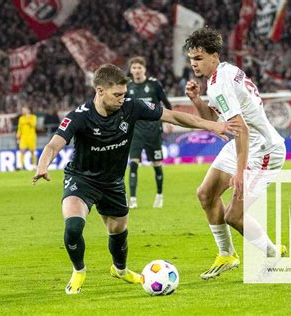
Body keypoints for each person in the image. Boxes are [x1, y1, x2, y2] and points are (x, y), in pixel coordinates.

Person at [31, 64, 237, 294]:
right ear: (100, 91)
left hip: (113, 183)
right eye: (117, 94)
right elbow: (53, 144)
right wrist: (42, 165)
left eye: (124, 93)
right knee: (74, 226)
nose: (122, 98)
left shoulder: (131, 107)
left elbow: (172, 116)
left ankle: (120, 270)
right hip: (82, 180)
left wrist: (213, 125)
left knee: (118, 234)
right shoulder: (79, 117)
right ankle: (79, 270)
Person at [184, 27, 287, 280]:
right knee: (206, 193)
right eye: (190, 59)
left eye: (198, 58)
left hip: (264, 150)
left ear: (214, 56)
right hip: (243, 142)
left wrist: (239, 173)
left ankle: (273, 253)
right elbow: (220, 123)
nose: (193, 64)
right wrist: (197, 101)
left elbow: (240, 128)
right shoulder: (224, 74)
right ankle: (227, 254)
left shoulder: (220, 83)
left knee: (233, 215)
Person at [126, 56, 172, 209]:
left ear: (144, 69)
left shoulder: (154, 85)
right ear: (131, 70)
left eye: (139, 67)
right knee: (133, 164)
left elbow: (167, 104)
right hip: (135, 131)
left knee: (156, 164)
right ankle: (132, 199)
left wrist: (168, 121)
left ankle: (159, 196)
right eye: (134, 68)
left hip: (153, 130)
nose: (137, 70)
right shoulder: (128, 87)